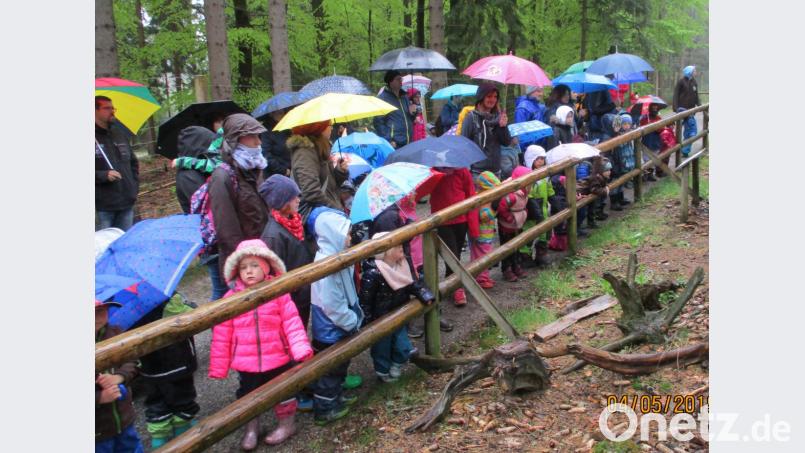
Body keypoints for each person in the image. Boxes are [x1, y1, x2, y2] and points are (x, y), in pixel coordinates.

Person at [209, 239, 313, 450]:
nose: (249, 271)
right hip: (246, 361)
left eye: (254, 265)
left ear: (266, 265)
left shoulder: (278, 293)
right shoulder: (231, 298)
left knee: (284, 391)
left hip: (277, 355)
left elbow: (292, 323)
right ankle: (251, 428)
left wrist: (299, 348)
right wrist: (219, 366)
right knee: (248, 395)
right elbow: (222, 333)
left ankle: (287, 424)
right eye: (244, 267)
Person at [307, 208, 363, 424]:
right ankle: (325, 408)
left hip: (339, 321)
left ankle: (336, 396)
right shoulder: (326, 264)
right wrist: (350, 321)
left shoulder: (338, 255)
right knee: (330, 369)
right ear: (334, 235)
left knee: (340, 364)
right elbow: (332, 304)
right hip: (330, 326)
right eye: (347, 233)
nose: (351, 238)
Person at [360, 232, 435, 383]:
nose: (402, 247)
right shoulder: (373, 273)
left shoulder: (402, 264)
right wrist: (366, 321)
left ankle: (397, 364)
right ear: (386, 252)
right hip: (379, 320)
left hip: (400, 315)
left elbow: (412, 284)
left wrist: (425, 295)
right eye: (397, 246)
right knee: (381, 349)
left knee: (403, 346)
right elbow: (365, 300)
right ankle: (382, 373)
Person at [208, 113, 270, 291]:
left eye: (259, 136)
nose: (258, 142)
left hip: (262, 255)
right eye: (252, 136)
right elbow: (227, 231)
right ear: (236, 140)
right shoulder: (222, 177)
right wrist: (247, 265)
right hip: (245, 266)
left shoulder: (255, 168)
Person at [131, 294, 200, 449]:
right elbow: (192, 314)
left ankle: (159, 438)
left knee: (156, 401)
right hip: (178, 361)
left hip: (150, 367)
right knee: (182, 397)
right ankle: (183, 431)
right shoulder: (167, 296)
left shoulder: (129, 307)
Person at [259, 175, 314, 328]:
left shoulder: (294, 222)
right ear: (282, 202)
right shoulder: (273, 236)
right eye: (294, 197)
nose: (299, 200)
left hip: (302, 292)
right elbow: (273, 275)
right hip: (290, 298)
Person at [95, 299, 144, 453]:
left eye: (102, 310)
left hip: (124, 417)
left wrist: (119, 377)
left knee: (132, 448)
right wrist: (99, 397)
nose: (97, 317)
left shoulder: (115, 332)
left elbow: (133, 360)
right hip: (97, 431)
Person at [429, 166, 479, 306]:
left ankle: (451, 283)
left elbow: (470, 194)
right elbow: (425, 191)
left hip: (460, 218)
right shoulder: (433, 172)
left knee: (455, 252)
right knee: (451, 255)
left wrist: (473, 226)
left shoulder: (461, 171)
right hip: (442, 220)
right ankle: (457, 288)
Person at [287, 120, 349, 222]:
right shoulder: (304, 153)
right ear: (318, 128)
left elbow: (330, 184)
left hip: (328, 214)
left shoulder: (320, 147)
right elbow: (311, 192)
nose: (332, 128)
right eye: (329, 125)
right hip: (319, 219)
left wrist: (340, 171)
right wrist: (337, 210)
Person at [95, 96, 139, 231]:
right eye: (107, 108)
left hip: (126, 201)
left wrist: (133, 188)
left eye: (112, 108)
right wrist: (103, 175)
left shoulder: (119, 133)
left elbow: (133, 162)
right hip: (102, 206)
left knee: (124, 243)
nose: (112, 111)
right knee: (103, 248)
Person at [461, 82, 512, 179]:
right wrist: (467, 171)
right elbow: (464, 144)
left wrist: (503, 127)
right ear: (481, 97)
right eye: (489, 96)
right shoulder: (471, 118)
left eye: (495, 96)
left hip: (496, 172)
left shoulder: (498, 117)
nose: (492, 99)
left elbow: (506, 142)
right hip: (478, 173)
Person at [520, 145, 554, 267]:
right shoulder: (529, 176)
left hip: (544, 208)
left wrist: (555, 202)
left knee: (545, 232)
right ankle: (525, 256)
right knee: (529, 232)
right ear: (531, 159)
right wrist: (536, 211)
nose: (541, 161)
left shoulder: (545, 175)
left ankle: (542, 254)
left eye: (542, 158)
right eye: (538, 158)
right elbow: (529, 195)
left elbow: (550, 190)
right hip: (532, 210)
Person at [173, 126, 218, 214]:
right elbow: (206, 205)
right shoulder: (188, 176)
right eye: (209, 146)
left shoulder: (198, 169)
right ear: (199, 148)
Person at [498, 166, 531, 282]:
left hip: (518, 222)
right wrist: (509, 218)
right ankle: (507, 269)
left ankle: (516, 265)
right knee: (507, 247)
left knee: (517, 246)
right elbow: (501, 207)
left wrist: (524, 213)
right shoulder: (511, 195)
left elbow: (524, 204)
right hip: (507, 225)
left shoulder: (525, 191)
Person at [472, 171, 502, 288]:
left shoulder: (486, 196)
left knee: (484, 254)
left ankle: (483, 276)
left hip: (487, 233)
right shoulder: (482, 198)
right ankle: (481, 279)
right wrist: (494, 209)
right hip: (481, 233)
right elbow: (484, 216)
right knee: (482, 255)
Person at [374, 70, 416, 148]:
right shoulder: (382, 99)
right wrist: (388, 139)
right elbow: (378, 122)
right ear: (390, 81)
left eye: (401, 79)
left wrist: (413, 113)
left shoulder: (405, 97)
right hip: (395, 144)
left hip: (409, 141)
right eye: (398, 79)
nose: (401, 81)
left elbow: (409, 119)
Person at [609, 114, 637, 208]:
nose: (627, 126)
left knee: (622, 180)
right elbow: (618, 146)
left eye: (628, 124)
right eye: (624, 124)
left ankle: (621, 198)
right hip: (618, 160)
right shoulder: (617, 135)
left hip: (626, 160)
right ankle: (614, 202)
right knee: (616, 181)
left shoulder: (630, 133)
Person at [673, 65, 701, 156]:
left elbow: (696, 95)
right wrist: (675, 107)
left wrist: (699, 106)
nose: (696, 72)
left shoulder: (694, 82)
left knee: (688, 130)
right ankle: (684, 149)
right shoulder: (681, 82)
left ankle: (684, 149)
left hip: (691, 109)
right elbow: (676, 95)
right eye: (694, 70)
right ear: (690, 71)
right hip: (682, 109)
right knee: (691, 130)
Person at [260, 109, 293, 178]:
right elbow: (265, 154)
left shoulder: (287, 125)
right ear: (271, 114)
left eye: (284, 112)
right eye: (280, 113)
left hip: (291, 170)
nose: (283, 115)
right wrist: (282, 170)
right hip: (276, 174)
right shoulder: (266, 130)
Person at [514, 86, 547, 151]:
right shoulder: (523, 108)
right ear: (530, 91)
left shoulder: (536, 105)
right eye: (538, 91)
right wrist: (525, 150)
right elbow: (520, 132)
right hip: (529, 150)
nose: (541, 94)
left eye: (542, 91)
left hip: (538, 148)